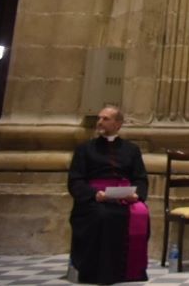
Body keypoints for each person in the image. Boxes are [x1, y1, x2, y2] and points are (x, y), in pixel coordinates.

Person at [68, 105, 149, 284]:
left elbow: (140, 178)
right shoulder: (85, 149)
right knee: (103, 215)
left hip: (125, 196)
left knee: (142, 212)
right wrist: (94, 194)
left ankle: (131, 272)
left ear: (118, 124)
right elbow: (76, 180)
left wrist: (137, 196)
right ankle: (100, 273)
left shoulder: (131, 150)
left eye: (106, 119)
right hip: (95, 198)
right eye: (99, 118)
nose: (100, 122)